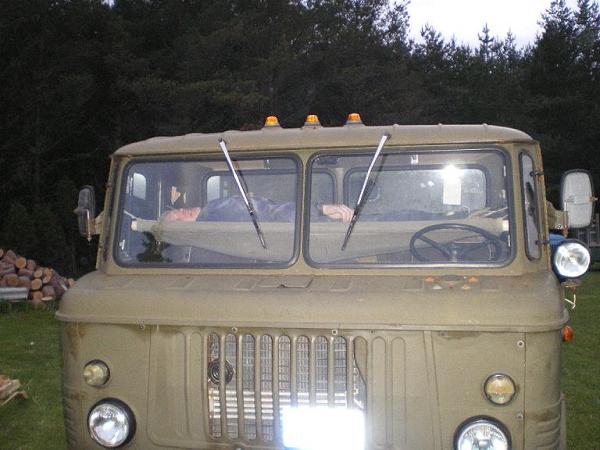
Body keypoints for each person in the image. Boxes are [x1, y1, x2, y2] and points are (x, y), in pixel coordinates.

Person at [162, 195, 354, 223]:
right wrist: (320, 209)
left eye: (177, 209)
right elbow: (269, 213)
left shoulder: (212, 212)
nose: (182, 210)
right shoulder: (213, 212)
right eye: (178, 217)